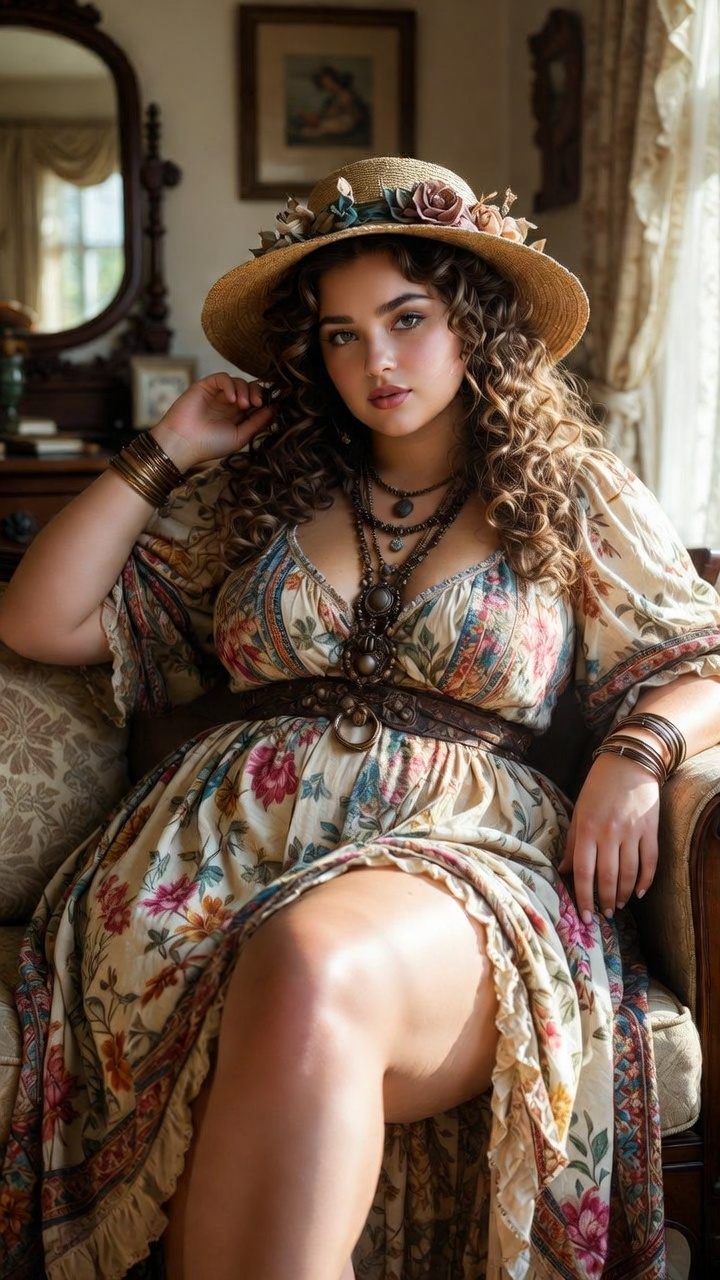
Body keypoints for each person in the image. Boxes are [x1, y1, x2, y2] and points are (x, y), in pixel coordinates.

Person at [0, 155, 719, 1280]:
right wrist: (171, 443)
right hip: (206, 873)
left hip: (461, 860)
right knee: (272, 992)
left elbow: (705, 659)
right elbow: (42, 619)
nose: (375, 360)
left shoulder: (572, 489)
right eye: (340, 333)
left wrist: (639, 747)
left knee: (308, 960)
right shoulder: (257, 493)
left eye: (407, 317)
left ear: (474, 320)